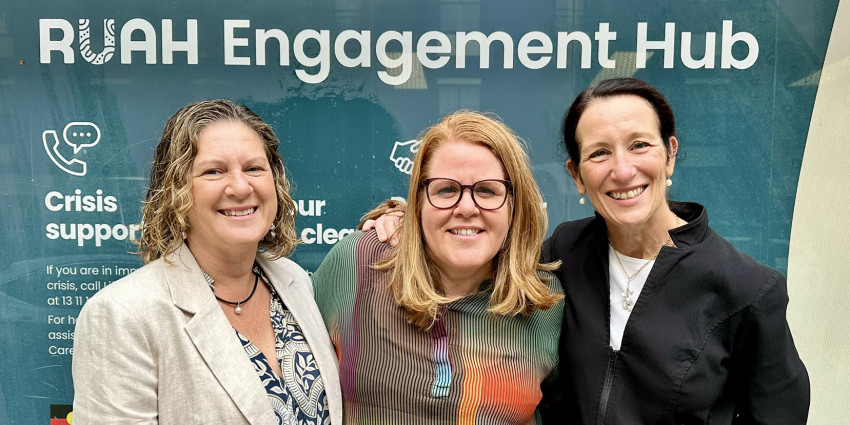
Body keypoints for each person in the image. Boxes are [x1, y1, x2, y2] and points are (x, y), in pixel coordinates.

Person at [366, 78, 810, 424]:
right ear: (576, 175)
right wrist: (406, 219)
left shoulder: (748, 289)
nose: (623, 170)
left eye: (639, 145)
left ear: (670, 154)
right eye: (599, 154)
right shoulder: (563, 252)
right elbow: (475, 251)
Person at [72, 99, 342, 424]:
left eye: (254, 168)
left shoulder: (295, 281)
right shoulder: (123, 316)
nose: (240, 187)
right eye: (214, 171)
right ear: (176, 191)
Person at [312, 111, 564, 424]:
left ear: (514, 206)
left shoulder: (545, 303)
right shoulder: (358, 264)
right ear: (419, 202)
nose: (467, 208)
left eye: (487, 190)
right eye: (446, 190)